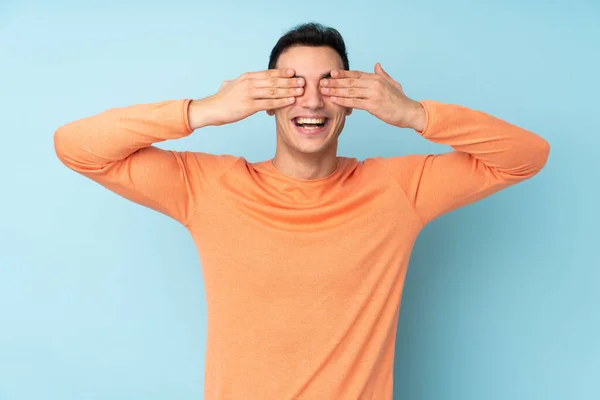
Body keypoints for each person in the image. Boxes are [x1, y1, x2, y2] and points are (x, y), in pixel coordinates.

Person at [54, 22, 550, 400]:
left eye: (330, 84)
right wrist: (205, 110)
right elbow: (75, 146)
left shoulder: (399, 189)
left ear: (353, 101)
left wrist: (415, 114)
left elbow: (526, 156)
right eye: (291, 84)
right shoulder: (208, 188)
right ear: (266, 100)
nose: (311, 100)